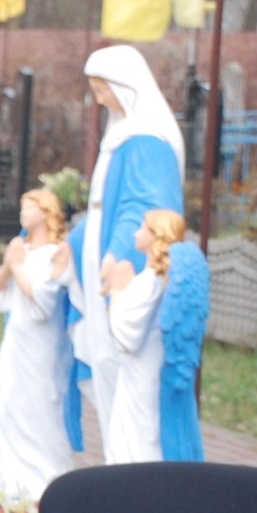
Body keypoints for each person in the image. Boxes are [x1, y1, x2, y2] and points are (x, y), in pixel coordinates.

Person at [69, 45, 185, 449]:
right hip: (100, 253)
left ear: (126, 87)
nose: (99, 99)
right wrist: (77, 242)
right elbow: (101, 206)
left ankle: (131, 464)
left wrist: (117, 253)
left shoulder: (147, 141)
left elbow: (145, 207)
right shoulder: (120, 135)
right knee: (104, 360)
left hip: (120, 263)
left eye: (103, 89)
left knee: (120, 361)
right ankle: (117, 460)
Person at [0, 189, 77, 503]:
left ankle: (42, 475)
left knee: (40, 402)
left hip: (43, 346)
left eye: (29, 207)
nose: (23, 212)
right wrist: (8, 266)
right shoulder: (21, 249)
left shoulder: (56, 252)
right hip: (16, 339)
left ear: (45, 212)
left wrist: (16, 267)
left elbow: (42, 301)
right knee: (9, 400)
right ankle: (9, 475)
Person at [100, 209, 209, 465]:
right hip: (143, 371)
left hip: (142, 374)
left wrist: (117, 290)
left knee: (139, 433)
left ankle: (137, 486)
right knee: (140, 430)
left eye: (142, 228)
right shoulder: (157, 280)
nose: (136, 233)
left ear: (154, 236)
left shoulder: (150, 281)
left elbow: (127, 337)